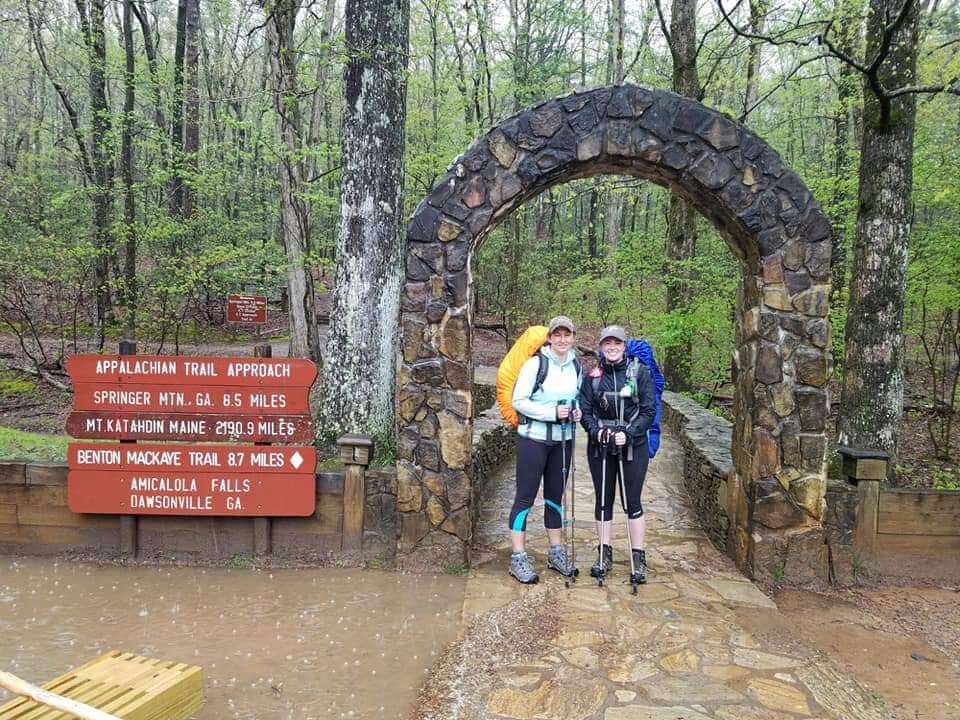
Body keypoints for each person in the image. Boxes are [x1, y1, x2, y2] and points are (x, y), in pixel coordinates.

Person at [507, 315, 582, 584]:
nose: (562, 340)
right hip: (533, 439)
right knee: (525, 497)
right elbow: (519, 401)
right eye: (557, 335)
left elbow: (577, 398)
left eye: (567, 335)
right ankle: (518, 557)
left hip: (563, 440)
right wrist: (551, 412)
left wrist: (576, 413)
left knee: (554, 497)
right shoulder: (535, 364)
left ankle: (556, 552)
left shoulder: (576, 365)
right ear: (549, 337)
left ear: (573, 337)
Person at [579, 325, 656, 585]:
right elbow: (586, 409)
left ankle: (638, 557)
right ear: (601, 346)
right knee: (603, 500)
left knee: (632, 501)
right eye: (607, 343)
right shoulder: (593, 376)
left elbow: (648, 410)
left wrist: (631, 433)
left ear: (624, 346)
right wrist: (594, 431)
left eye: (617, 343)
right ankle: (604, 552)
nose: (612, 347)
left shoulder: (640, 372)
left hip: (633, 446)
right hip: (601, 445)